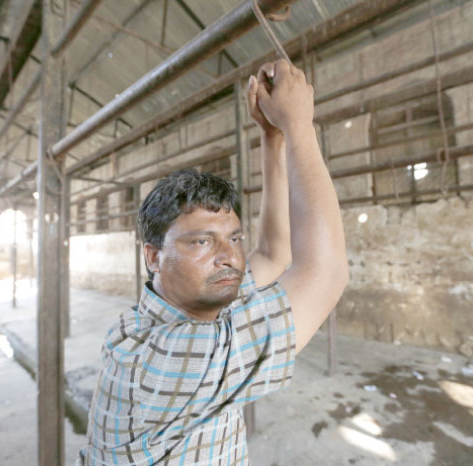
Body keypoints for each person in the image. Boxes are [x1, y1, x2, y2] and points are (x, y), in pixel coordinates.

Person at [76, 59, 348, 465]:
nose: (229, 257)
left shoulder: (196, 305)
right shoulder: (164, 358)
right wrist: (299, 127)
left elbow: (276, 251)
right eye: (202, 241)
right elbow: (325, 273)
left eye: (234, 237)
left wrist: (271, 137)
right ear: (153, 256)